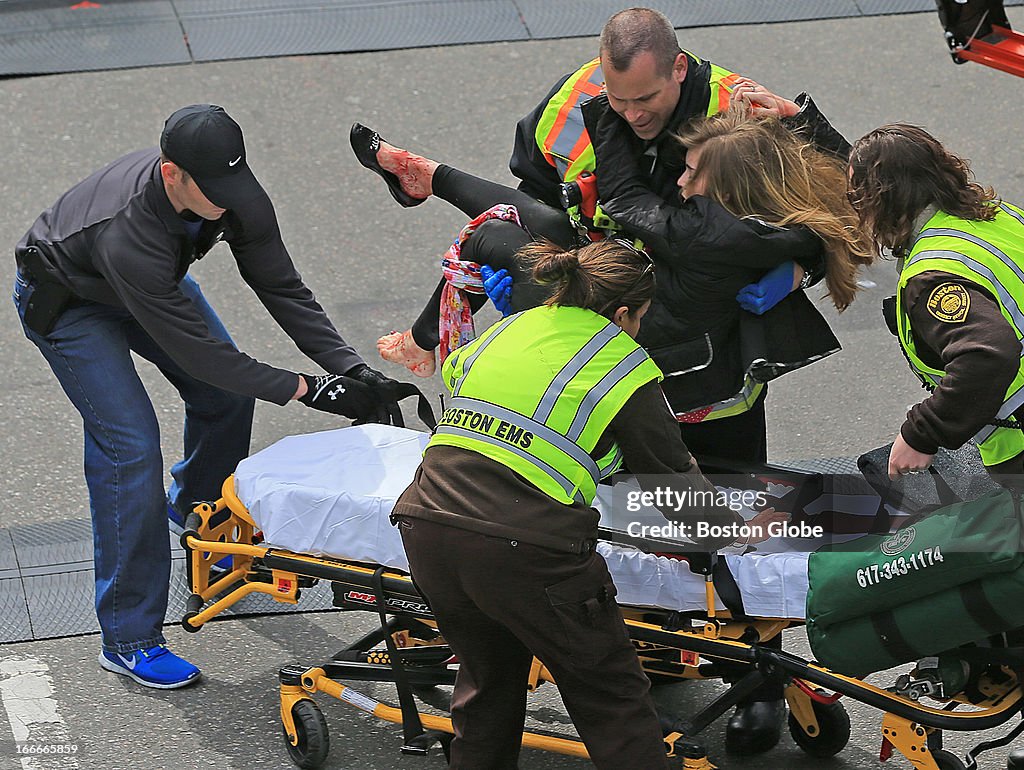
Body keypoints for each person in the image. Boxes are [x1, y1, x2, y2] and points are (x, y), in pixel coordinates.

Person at [13, 104, 408, 689]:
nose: (229, 199)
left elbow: (281, 286)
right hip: (69, 304)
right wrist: (310, 390)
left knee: (226, 400)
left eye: (235, 182)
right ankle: (129, 638)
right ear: (172, 173)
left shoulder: (232, 193)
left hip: (151, 288)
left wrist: (350, 370)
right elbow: (208, 358)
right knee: (130, 450)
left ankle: (196, 515)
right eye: (214, 188)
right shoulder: (130, 234)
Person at [393, 238, 786, 769]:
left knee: (487, 685)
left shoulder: (509, 328)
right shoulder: (619, 361)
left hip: (426, 522)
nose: (640, 328)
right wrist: (735, 531)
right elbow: (670, 475)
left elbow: (489, 402)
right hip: (527, 546)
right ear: (624, 312)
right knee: (612, 699)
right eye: (641, 317)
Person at [848, 124, 1024, 482]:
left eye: (855, 198)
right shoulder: (998, 215)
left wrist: (922, 434)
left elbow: (988, 354)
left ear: (879, 200)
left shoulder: (933, 277)